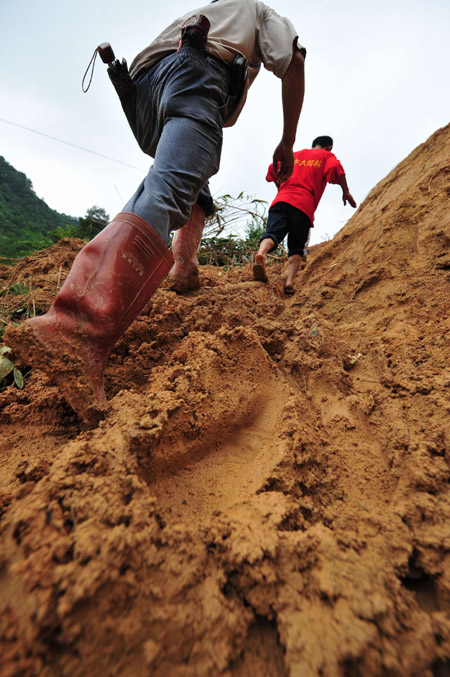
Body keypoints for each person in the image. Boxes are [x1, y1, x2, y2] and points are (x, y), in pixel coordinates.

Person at [5, 0, 306, 424]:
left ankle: (182, 265)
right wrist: (287, 140)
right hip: (194, 75)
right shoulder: (257, 11)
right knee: (169, 187)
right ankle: (74, 328)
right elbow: (292, 62)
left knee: (181, 177)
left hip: (144, 95)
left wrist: (184, 263)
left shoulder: (214, 10)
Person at [253, 135, 356, 294]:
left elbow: (272, 169)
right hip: (303, 205)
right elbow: (337, 168)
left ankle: (260, 254)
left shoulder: (294, 155)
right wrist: (346, 192)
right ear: (328, 147)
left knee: (272, 233)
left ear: (314, 144)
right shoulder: (327, 156)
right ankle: (290, 282)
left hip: (282, 199)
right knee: (296, 246)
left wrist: (280, 187)